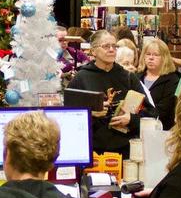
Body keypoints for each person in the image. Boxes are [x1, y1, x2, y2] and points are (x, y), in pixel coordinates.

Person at [66, 30, 154, 158]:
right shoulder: (81, 78)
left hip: (125, 151)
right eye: (106, 46)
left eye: (114, 46)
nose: (111, 50)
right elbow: (68, 118)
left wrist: (131, 119)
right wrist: (90, 114)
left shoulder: (128, 77)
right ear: (93, 51)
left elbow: (151, 114)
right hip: (93, 151)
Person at [140, 37, 180, 130]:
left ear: (164, 58)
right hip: (136, 129)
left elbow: (163, 110)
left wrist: (138, 114)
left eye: (156, 55)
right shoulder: (137, 77)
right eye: (148, 54)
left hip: (161, 130)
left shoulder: (172, 80)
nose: (151, 58)